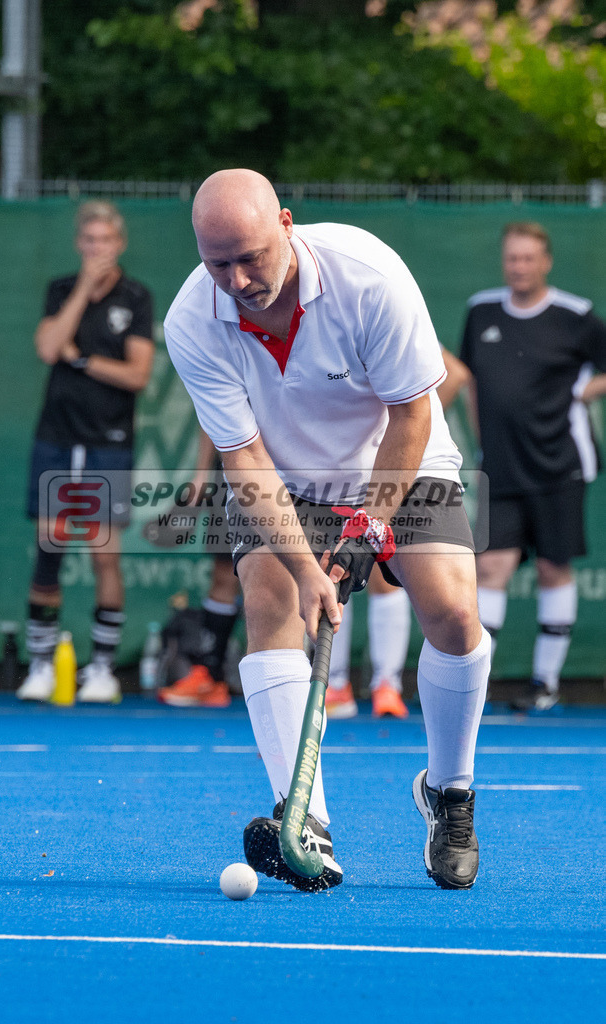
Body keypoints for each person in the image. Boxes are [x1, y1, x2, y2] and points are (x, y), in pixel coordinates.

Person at [163, 168, 490, 893]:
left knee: (454, 614)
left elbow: (413, 411)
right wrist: (308, 568)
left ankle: (451, 791)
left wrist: (370, 527)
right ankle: (304, 818)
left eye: (252, 256)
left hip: (401, 454)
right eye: (218, 264)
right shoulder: (192, 319)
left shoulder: (367, 276)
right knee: (270, 598)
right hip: (287, 475)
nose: (240, 279)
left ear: (285, 223)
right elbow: (244, 459)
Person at [460, 222, 606, 711]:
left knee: (552, 567)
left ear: (545, 262)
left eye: (527, 259)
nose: (518, 267)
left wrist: (589, 389)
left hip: (559, 465)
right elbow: (469, 379)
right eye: (511, 258)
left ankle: (545, 684)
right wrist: (483, 443)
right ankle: (473, 683)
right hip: (499, 467)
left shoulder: (576, 315)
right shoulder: (481, 310)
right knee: (491, 567)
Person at [17, 201, 154, 704]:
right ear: (81, 243)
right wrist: (81, 290)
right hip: (56, 437)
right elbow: (48, 347)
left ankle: (100, 670)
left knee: (103, 553)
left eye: (106, 240)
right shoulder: (59, 289)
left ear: (119, 244)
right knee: (49, 548)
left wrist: (83, 360)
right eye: (89, 240)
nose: (97, 249)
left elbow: (137, 375)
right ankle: (40, 666)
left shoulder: (136, 297)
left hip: (107, 443)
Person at [325, 348, 473, 719]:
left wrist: (410, 430)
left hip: (393, 464)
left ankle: (386, 684)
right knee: (334, 567)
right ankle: (335, 684)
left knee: (381, 577)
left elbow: (453, 374)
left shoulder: (386, 309)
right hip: (336, 465)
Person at [152, 429, 241, 709]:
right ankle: (209, 679)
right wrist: (201, 474)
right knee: (224, 573)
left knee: (279, 578)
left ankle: (289, 682)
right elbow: (211, 408)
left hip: (287, 474)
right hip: (232, 470)